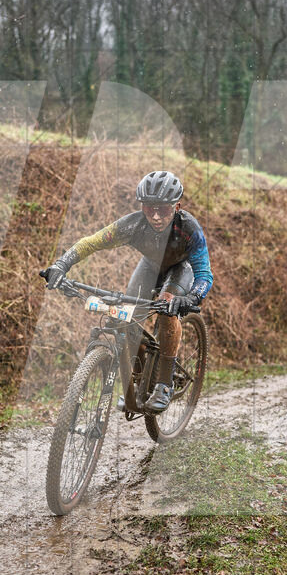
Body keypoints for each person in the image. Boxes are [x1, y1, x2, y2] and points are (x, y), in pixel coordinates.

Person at [43, 170, 213, 412]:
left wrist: (191, 297)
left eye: (163, 209)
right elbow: (91, 242)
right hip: (149, 267)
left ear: (177, 206)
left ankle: (165, 383)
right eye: (149, 207)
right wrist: (61, 264)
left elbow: (204, 273)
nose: (155, 216)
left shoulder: (189, 228)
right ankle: (139, 378)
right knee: (127, 315)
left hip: (179, 269)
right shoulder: (133, 225)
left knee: (167, 310)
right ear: (142, 206)